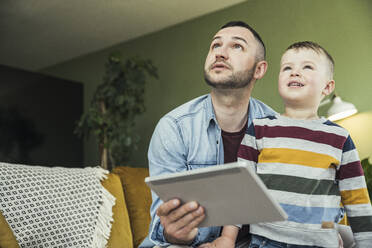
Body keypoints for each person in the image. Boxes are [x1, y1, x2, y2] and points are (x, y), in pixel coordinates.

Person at [207, 41, 372, 247]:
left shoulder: (339, 138)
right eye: (287, 68)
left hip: (320, 243)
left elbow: (357, 200)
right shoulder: (259, 129)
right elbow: (242, 189)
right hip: (266, 241)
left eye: (307, 67)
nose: (295, 72)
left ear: (327, 86)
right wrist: (228, 238)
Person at [139, 21, 276, 248]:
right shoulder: (173, 128)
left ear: (259, 69)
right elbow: (163, 229)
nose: (220, 53)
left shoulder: (276, 130)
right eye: (215, 45)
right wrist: (177, 233)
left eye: (237, 46)